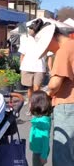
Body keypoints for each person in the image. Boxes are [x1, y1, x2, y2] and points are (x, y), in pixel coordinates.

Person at [30, 19, 74, 166]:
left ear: (52, 38)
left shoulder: (64, 50)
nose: (49, 49)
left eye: (48, 45)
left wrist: (47, 92)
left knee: (64, 154)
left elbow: (55, 84)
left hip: (67, 105)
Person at [18, 19, 49, 115]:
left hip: (39, 67)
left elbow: (49, 55)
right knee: (30, 89)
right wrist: (21, 66)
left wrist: (49, 68)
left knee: (37, 89)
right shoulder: (25, 38)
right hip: (27, 66)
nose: (31, 31)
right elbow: (22, 54)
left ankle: (38, 107)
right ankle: (31, 107)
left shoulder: (45, 38)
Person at [29, 90, 52, 166]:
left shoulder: (43, 123)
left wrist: (44, 156)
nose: (29, 104)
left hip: (40, 152)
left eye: (31, 102)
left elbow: (46, 140)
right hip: (37, 150)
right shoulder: (39, 118)